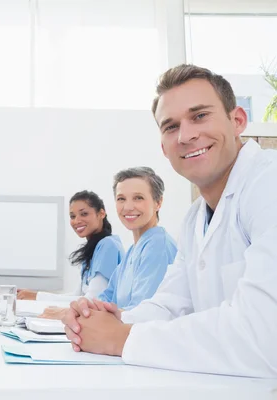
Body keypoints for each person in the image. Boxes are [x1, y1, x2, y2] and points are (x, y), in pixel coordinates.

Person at [62, 64, 277, 378]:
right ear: (164, 148)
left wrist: (120, 337)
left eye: (200, 115)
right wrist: (109, 320)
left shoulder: (267, 184)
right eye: (171, 126)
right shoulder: (194, 219)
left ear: (237, 121)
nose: (187, 135)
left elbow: (265, 336)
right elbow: (171, 305)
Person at [41, 167, 177, 319]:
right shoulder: (133, 251)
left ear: (158, 203)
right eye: (121, 199)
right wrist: (76, 311)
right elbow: (103, 300)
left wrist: (71, 314)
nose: (128, 207)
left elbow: (141, 314)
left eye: (138, 198)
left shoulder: (158, 246)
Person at [17, 191, 124, 302]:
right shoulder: (93, 249)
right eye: (72, 216)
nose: (77, 221)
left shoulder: (108, 245)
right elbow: (78, 294)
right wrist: (35, 295)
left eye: (84, 214)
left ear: (101, 214)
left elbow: (92, 300)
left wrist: (37, 296)